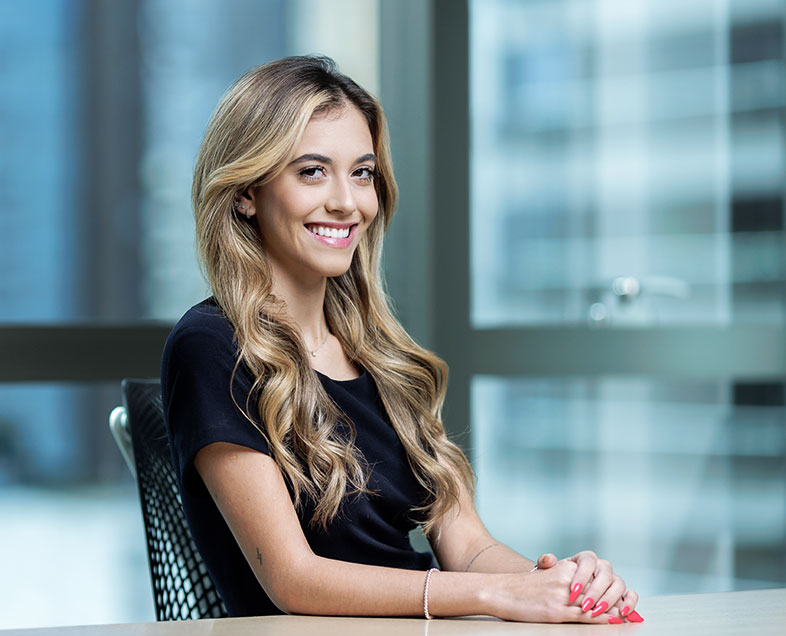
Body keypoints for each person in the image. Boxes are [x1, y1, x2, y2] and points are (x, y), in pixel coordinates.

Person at [161, 55, 642, 624]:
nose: (347, 202)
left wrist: (559, 584)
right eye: (311, 171)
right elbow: (294, 580)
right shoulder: (212, 345)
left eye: (362, 173)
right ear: (246, 191)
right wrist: (490, 596)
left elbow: (467, 546)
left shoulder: (379, 353)